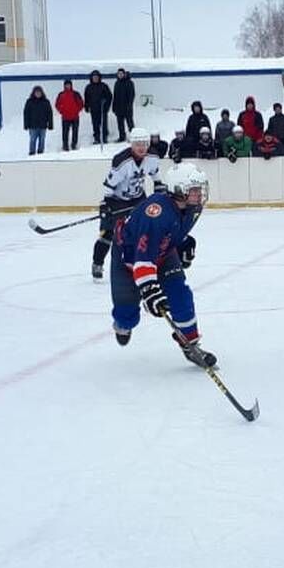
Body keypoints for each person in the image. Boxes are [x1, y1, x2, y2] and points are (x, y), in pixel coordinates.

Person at [108, 162, 216, 369]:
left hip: (163, 255)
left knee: (181, 295)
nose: (200, 194)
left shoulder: (192, 208)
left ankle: (190, 345)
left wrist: (183, 242)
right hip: (128, 259)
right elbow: (143, 257)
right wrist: (150, 290)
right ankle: (122, 324)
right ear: (179, 189)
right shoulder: (155, 214)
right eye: (195, 190)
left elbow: (172, 232)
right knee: (127, 315)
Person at [92, 128, 161, 280]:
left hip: (138, 198)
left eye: (144, 143)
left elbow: (156, 177)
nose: (141, 147)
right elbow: (108, 186)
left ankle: (141, 263)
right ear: (131, 145)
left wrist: (159, 191)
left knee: (143, 231)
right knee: (108, 233)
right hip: (116, 200)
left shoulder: (152, 157)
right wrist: (106, 206)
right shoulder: (122, 162)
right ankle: (97, 263)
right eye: (138, 144)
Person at [84, 69, 113, 145]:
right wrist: (87, 107)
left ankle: (104, 137)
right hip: (93, 109)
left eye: (96, 77)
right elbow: (86, 98)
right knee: (95, 124)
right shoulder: (88, 87)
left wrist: (106, 106)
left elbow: (109, 96)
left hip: (102, 109)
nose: (95, 78)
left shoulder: (104, 86)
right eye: (94, 77)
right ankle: (97, 138)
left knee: (103, 124)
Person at [23, 84, 53, 156]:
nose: (38, 94)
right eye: (36, 92)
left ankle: (40, 152)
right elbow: (26, 113)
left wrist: (50, 124)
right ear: (33, 93)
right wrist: (26, 124)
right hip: (33, 125)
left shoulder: (46, 102)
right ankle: (32, 152)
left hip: (43, 125)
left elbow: (50, 113)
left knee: (42, 140)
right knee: (33, 139)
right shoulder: (29, 102)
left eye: (39, 92)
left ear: (42, 93)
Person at [55, 79, 83, 151]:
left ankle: (74, 144)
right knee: (65, 132)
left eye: (69, 84)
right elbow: (57, 104)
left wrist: (77, 110)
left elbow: (81, 103)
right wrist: (62, 111)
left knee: (75, 131)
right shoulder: (61, 94)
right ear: (64, 86)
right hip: (65, 117)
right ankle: (65, 145)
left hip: (75, 116)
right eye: (66, 85)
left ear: (71, 85)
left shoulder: (76, 94)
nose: (68, 86)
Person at [112, 68, 136, 141]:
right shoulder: (117, 83)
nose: (120, 75)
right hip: (119, 108)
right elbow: (115, 96)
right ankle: (122, 137)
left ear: (124, 74)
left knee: (130, 123)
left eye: (121, 73)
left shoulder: (129, 82)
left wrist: (129, 105)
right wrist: (114, 106)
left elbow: (132, 95)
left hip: (127, 107)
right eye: (118, 74)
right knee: (120, 124)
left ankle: (133, 137)